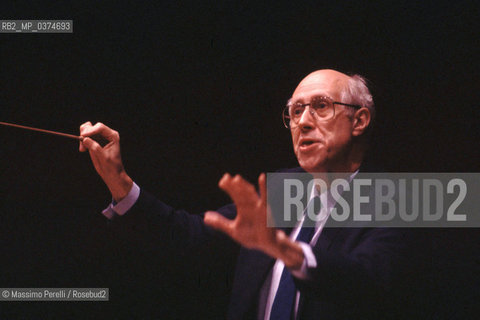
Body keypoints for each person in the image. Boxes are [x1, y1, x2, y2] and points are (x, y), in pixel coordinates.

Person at [79, 69, 411, 319]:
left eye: (320, 106)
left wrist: (288, 251)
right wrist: (119, 181)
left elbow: (369, 284)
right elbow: (186, 235)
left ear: (360, 120)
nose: (303, 122)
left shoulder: (393, 201)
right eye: (295, 112)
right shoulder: (279, 191)